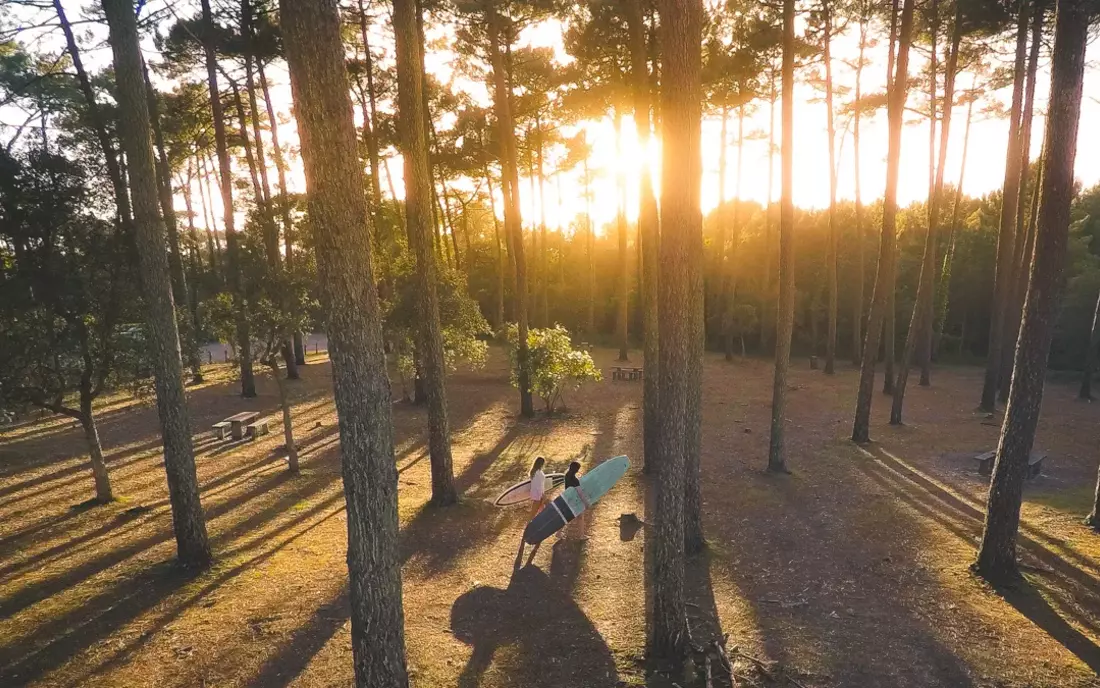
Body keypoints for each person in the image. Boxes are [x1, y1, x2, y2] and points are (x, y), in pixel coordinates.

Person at [561, 461, 591, 541]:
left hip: (567, 498)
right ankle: (581, 536)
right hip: (574, 500)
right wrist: (586, 503)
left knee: (566, 517)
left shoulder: (567, 475)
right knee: (580, 517)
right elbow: (580, 494)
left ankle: (558, 533)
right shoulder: (575, 480)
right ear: (576, 470)